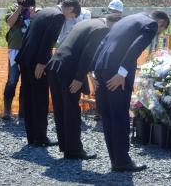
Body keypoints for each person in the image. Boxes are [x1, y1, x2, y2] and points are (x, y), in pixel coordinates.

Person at [92, 11, 170, 172]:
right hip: (116, 70)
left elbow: (102, 42)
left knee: (108, 116)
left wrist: (93, 70)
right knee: (120, 115)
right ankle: (122, 161)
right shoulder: (150, 24)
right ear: (161, 22)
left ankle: (116, 159)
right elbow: (136, 48)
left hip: (101, 67)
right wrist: (122, 73)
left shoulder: (126, 19)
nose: (158, 32)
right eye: (161, 30)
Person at [46, 13, 122, 159]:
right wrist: (79, 78)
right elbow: (88, 53)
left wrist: (88, 74)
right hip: (68, 70)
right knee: (72, 109)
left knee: (60, 108)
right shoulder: (102, 29)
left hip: (55, 64)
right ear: (114, 23)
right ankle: (74, 151)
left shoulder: (88, 22)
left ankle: (65, 145)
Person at [15, 0, 81, 146]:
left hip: (25, 57)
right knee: (40, 99)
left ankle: (32, 136)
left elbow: (29, 35)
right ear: (70, 9)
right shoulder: (58, 16)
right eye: (73, 15)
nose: (70, 18)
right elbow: (48, 41)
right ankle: (41, 138)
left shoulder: (44, 11)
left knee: (29, 98)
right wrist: (42, 63)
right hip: (36, 61)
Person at [2, 0, 37, 121]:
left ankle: (23, 111)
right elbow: (10, 23)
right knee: (12, 80)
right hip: (15, 50)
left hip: (29, 49)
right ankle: (7, 110)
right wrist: (20, 9)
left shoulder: (34, 10)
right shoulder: (13, 8)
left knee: (27, 82)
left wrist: (32, 13)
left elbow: (37, 26)